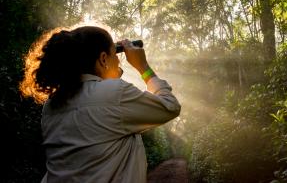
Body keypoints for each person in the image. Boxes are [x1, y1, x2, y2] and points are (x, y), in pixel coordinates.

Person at [19, 26, 181, 183]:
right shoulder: (114, 94)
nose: (119, 61)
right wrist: (142, 66)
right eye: (115, 54)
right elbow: (170, 105)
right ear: (103, 59)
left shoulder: (51, 104)